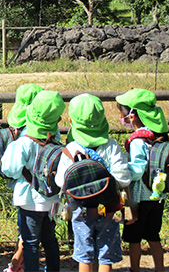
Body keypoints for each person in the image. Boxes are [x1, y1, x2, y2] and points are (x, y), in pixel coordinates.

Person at [54, 93, 131, 272]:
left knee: (84, 254)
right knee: (106, 254)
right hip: (108, 208)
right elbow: (122, 177)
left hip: (80, 209)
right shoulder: (111, 146)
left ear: (72, 122)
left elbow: (60, 181)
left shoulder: (70, 149)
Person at [1, 90, 64, 272]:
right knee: (50, 240)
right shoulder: (56, 140)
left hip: (29, 201)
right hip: (52, 200)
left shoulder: (24, 143)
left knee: (30, 243)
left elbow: (9, 169)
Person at [116, 88, 168, 272]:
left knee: (134, 238)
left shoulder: (138, 140)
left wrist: (121, 171)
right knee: (154, 235)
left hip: (139, 198)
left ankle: (135, 269)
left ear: (133, 115)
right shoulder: (158, 136)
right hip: (157, 195)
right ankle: (160, 268)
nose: (122, 116)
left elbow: (137, 169)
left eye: (123, 111)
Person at [3, 83, 44, 272]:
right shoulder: (50, 133)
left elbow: (10, 168)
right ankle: (20, 264)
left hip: (26, 192)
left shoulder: (22, 137)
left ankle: (16, 265)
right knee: (43, 235)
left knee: (27, 234)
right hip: (47, 191)